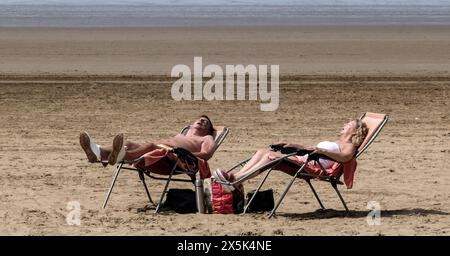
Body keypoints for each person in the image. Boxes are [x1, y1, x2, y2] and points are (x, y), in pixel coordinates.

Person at [213, 118, 369, 190]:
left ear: (355, 131)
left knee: (270, 157)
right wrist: (292, 145)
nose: (344, 125)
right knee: (262, 152)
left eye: (348, 124)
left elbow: (346, 158)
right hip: (304, 159)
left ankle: (236, 181)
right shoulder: (337, 141)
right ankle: (236, 177)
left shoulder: (349, 145)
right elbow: (311, 149)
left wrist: (322, 151)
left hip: (312, 167)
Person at [79, 115, 217, 165]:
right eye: (200, 119)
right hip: (163, 151)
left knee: (150, 146)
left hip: (176, 158)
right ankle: (97, 151)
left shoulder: (207, 138)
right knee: (129, 144)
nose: (202, 121)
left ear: (208, 130)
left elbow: (206, 154)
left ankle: (120, 155)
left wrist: (185, 154)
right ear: (192, 124)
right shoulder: (184, 135)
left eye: (206, 123)